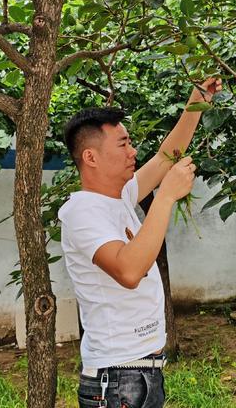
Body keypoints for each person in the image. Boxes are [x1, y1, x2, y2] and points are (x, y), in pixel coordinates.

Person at [59, 77, 222, 408]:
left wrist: (198, 100)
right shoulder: (81, 211)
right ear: (90, 157)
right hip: (117, 380)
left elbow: (166, 156)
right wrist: (165, 197)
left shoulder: (120, 197)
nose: (133, 151)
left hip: (140, 373)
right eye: (122, 144)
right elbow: (129, 270)